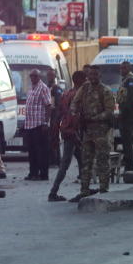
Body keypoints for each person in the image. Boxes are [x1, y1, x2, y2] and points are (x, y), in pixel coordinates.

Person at [69, 65, 116, 202]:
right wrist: (76, 115)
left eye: (95, 75)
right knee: (86, 162)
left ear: (99, 76)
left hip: (101, 131)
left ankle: (103, 189)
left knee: (102, 161)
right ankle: (84, 190)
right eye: (91, 74)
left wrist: (94, 118)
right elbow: (74, 103)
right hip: (87, 131)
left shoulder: (105, 91)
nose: (93, 77)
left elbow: (109, 111)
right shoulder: (84, 89)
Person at [49, 70, 85, 202]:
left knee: (82, 162)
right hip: (72, 132)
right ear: (80, 81)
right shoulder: (77, 95)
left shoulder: (67, 93)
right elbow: (74, 116)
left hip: (67, 131)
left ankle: (83, 191)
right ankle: (53, 192)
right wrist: (76, 133)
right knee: (65, 164)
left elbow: (60, 113)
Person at [23, 69, 53, 181]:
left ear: (39, 77)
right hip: (30, 124)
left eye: (35, 76)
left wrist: (46, 122)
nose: (33, 78)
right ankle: (33, 173)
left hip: (39, 124)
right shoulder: (31, 88)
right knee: (32, 151)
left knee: (42, 151)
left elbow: (48, 106)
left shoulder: (43, 88)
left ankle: (43, 174)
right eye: (31, 76)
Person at [116, 61, 133, 172]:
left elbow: (130, 99)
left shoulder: (130, 81)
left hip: (128, 116)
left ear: (129, 68)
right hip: (125, 114)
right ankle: (128, 165)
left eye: (124, 68)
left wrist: (123, 114)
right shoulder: (125, 80)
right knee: (125, 142)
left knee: (127, 142)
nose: (122, 70)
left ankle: (130, 166)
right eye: (121, 68)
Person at [46, 69, 64, 167]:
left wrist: (56, 120)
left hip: (54, 118)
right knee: (48, 139)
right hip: (47, 117)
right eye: (48, 75)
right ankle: (50, 159)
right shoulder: (46, 87)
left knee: (54, 139)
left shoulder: (57, 89)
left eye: (51, 75)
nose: (50, 77)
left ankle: (56, 161)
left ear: (55, 76)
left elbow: (59, 105)